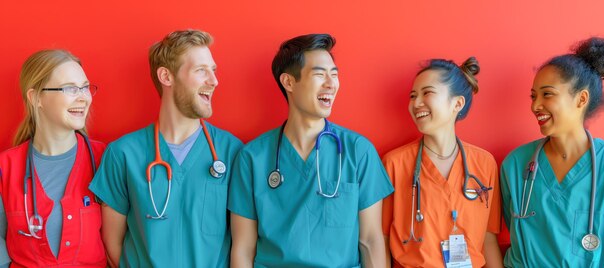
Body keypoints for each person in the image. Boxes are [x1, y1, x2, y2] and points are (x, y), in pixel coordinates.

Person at [228, 33, 394, 267]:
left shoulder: (358, 151)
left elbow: (370, 240)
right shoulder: (252, 158)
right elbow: (243, 248)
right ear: (288, 82)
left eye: (334, 74)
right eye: (319, 74)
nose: (331, 83)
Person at [89, 29, 242, 267]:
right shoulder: (122, 154)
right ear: (166, 76)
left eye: (213, 70)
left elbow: (243, 246)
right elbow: (112, 246)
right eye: (201, 70)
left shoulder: (232, 152)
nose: (214, 81)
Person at [501, 37, 604, 267]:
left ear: (582, 99)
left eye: (547, 94)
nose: (535, 105)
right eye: (533, 96)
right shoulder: (516, 165)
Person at [382, 57, 503, 267]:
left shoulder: (484, 163)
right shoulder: (395, 164)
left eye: (427, 92)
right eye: (413, 96)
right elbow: (381, 238)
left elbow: (489, 238)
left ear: (457, 103)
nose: (416, 103)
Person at [0, 49, 106, 267]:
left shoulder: (106, 159)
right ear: (36, 98)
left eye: (85, 87)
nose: (83, 97)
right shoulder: (5, 167)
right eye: (70, 88)